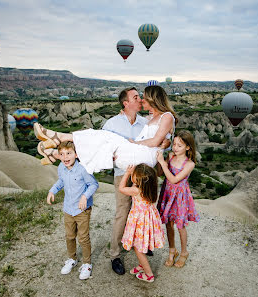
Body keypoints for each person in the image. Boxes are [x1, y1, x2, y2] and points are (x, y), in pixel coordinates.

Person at [34, 85, 178, 175]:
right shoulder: (149, 118)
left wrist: (136, 143)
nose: (142, 101)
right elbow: (158, 137)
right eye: (139, 98)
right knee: (101, 139)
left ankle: (59, 139)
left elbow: (156, 140)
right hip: (135, 154)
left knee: (105, 137)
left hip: (144, 156)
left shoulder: (166, 116)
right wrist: (126, 113)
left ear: (153, 99)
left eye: (144, 98)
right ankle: (55, 152)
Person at [101, 87, 157, 275]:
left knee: (145, 211)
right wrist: (112, 160)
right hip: (123, 174)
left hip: (145, 176)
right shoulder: (112, 124)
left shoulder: (145, 122)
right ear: (126, 103)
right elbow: (103, 149)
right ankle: (115, 255)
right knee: (122, 214)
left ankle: (143, 244)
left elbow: (156, 142)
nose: (140, 99)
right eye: (135, 97)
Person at [46, 141, 99, 280]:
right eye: (62, 154)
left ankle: (87, 264)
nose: (65, 157)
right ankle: (72, 259)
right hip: (68, 208)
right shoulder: (61, 168)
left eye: (69, 153)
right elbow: (61, 181)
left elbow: (93, 184)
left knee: (83, 237)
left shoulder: (82, 168)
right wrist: (52, 191)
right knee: (69, 236)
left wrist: (84, 196)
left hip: (82, 209)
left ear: (76, 154)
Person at [156, 130, 200, 268]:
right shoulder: (170, 156)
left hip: (179, 196)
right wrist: (160, 161)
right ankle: (172, 250)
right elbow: (160, 173)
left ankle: (184, 253)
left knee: (180, 226)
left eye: (179, 145)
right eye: (174, 144)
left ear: (188, 147)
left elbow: (174, 179)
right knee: (168, 224)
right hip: (167, 193)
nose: (175, 147)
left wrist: (163, 164)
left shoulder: (189, 164)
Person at [119, 164, 164, 283]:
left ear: (138, 180)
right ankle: (141, 265)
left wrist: (127, 173)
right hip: (147, 220)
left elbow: (121, 188)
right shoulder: (150, 188)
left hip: (139, 222)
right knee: (141, 244)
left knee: (138, 248)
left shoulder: (136, 190)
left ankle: (149, 274)